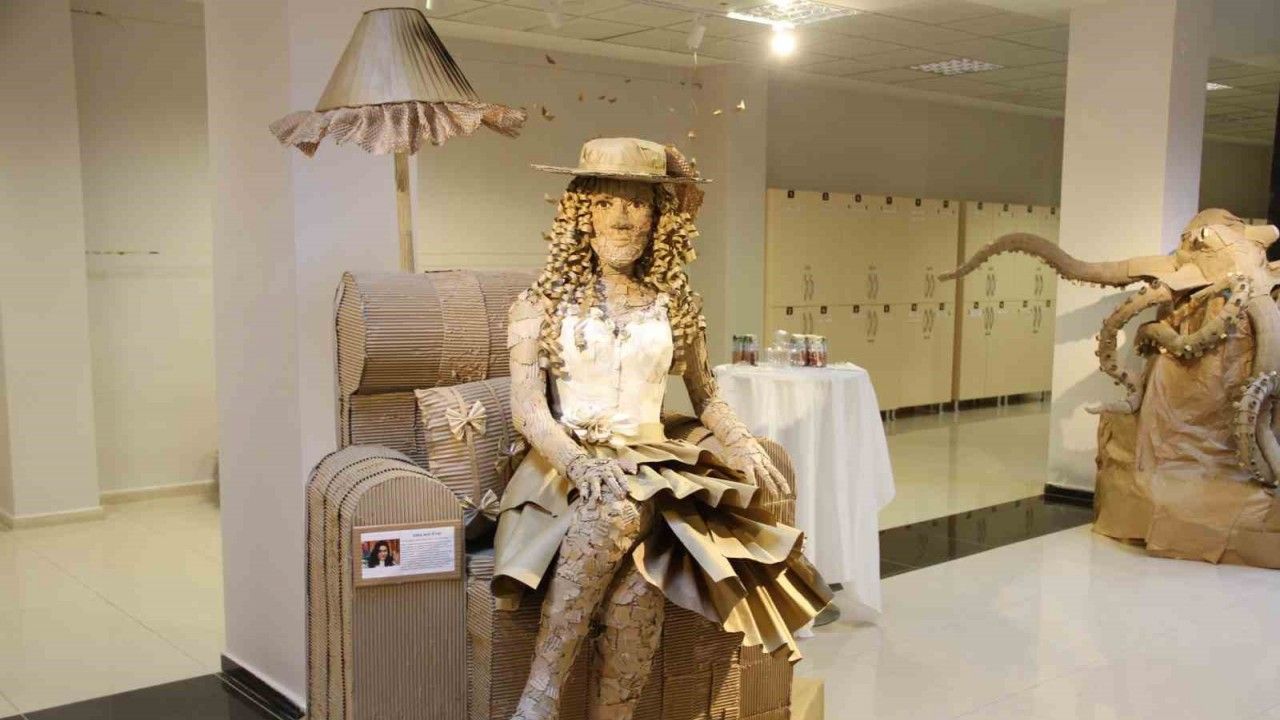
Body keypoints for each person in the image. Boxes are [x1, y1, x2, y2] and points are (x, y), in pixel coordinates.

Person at [493, 138, 832, 720]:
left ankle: (552, 705)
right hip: (563, 473)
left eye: (637, 203)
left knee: (631, 560)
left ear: (657, 217)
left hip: (652, 466)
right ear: (582, 212)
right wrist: (579, 462)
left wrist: (741, 441)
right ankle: (545, 697)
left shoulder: (675, 305)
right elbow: (527, 410)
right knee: (631, 560)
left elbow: (707, 395)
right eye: (607, 202)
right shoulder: (538, 304)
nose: (622, 218)